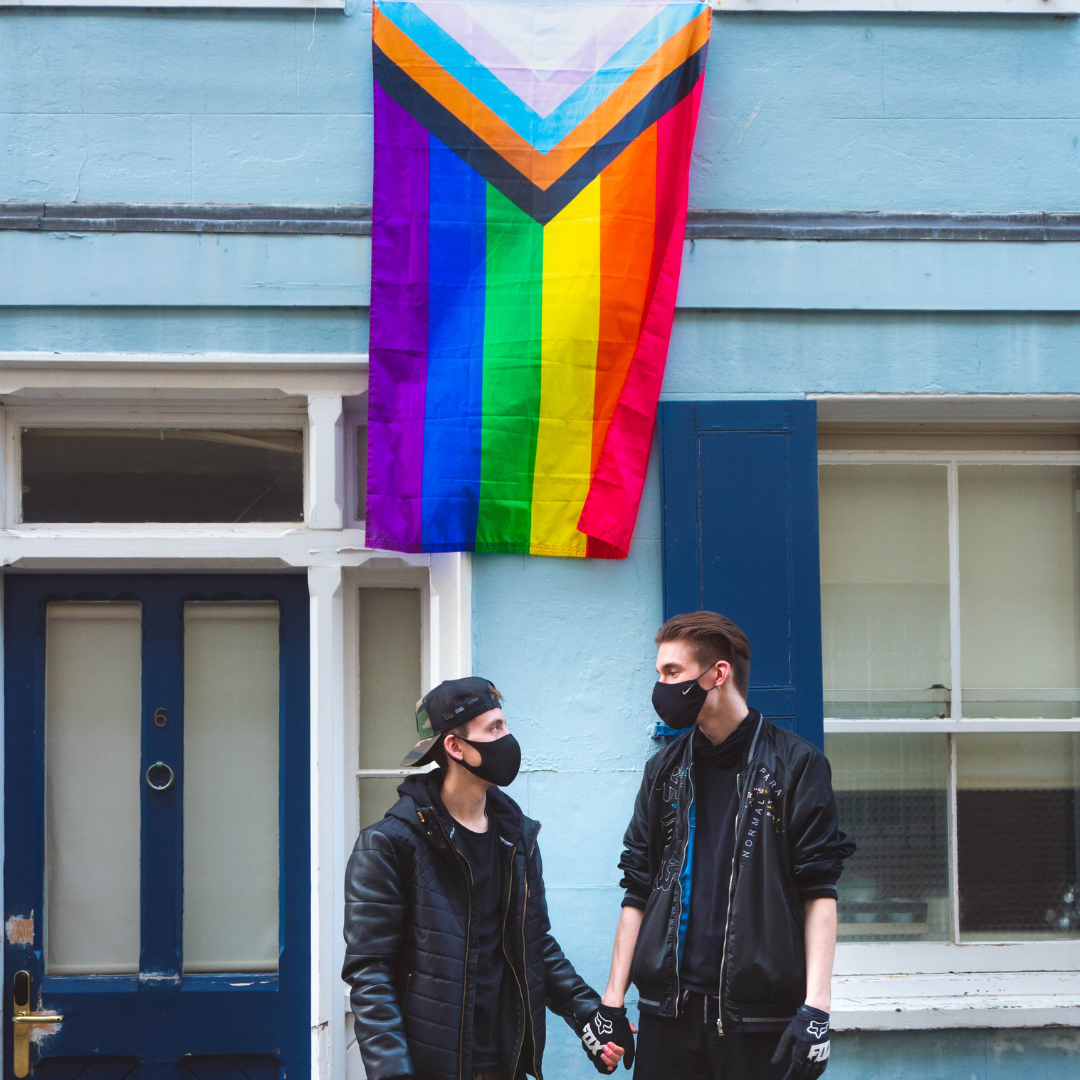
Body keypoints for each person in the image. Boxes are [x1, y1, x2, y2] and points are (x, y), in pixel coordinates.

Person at [591, 612, 855, 1080]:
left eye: (673, 672)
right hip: (668, 1016)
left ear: (718, 673)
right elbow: (637, 888)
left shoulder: (796, 766)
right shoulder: (664, 772)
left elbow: (818, 890)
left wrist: (817, 1008)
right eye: (660, 674)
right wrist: (612, 1002)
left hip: (759, 1023)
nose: (662, 686)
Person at [342, 676, 626, 1080]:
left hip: (505, 1064)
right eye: (494, 729)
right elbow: (371, 975)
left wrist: (589, 1018)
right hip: (432, 1069)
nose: (507, 739)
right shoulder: (389, 845)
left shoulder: (516, 837)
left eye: (505, 725)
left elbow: (535, 943)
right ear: (455, 748)